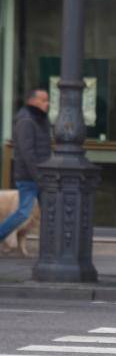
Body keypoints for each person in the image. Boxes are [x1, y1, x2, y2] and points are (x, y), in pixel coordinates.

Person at [0, 89, 51, 243]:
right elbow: (27, 152)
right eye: (43, 100)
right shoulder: (26, 120)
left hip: (41, 174)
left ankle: (52, 245)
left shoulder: (39, 119)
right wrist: (38, 176)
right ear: (33, 101)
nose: (47, 104)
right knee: (23, 213)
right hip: (30, 176)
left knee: (50, 210)